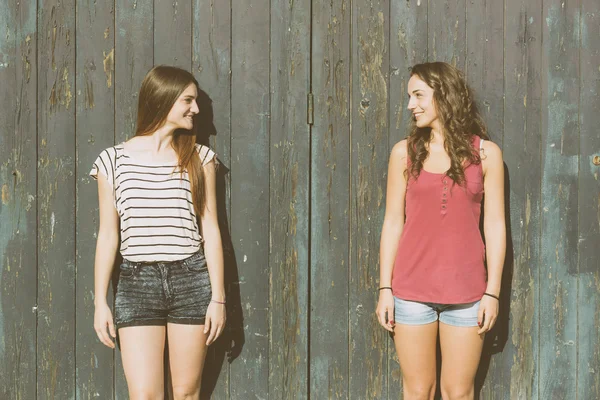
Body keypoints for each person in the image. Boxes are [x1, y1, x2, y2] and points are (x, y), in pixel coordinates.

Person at [90, 65, 225, 399]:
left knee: (186, 394)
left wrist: (218, 298)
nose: (195, 109)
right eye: (188, 100)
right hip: (136, 285)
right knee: (145, 396)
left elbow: (211, 229)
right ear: (163, 99)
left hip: (190, 279)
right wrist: (99, 302)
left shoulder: (199, 157)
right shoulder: (112, 160)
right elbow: (108, 235)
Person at [376, 62, 506, 400]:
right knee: (419, 391)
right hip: (410, 292)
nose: (410, 105)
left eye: (418, 95)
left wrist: (492, 292)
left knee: (458, 392)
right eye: (409, 96)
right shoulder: (404, 153)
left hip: (467, 295)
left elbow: (494, 226)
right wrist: (385, 287)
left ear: (444, 96)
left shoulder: (486, 154)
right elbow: (392, 222)